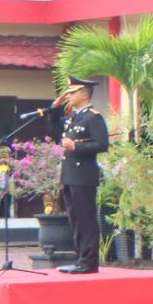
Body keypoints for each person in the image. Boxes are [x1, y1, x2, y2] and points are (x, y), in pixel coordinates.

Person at [55, 76, 109, 274]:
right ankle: (80, 259)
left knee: (86, 219)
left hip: (84, 175)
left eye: (72, 92)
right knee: (75, 219)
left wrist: (75, 146)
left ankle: (88, 262)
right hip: (70, 175)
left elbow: (102, 144)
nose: (69, 95)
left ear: (84, 93)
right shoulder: (75, 117)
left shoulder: (93, 117)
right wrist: (56, 105)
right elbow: (52, 125)